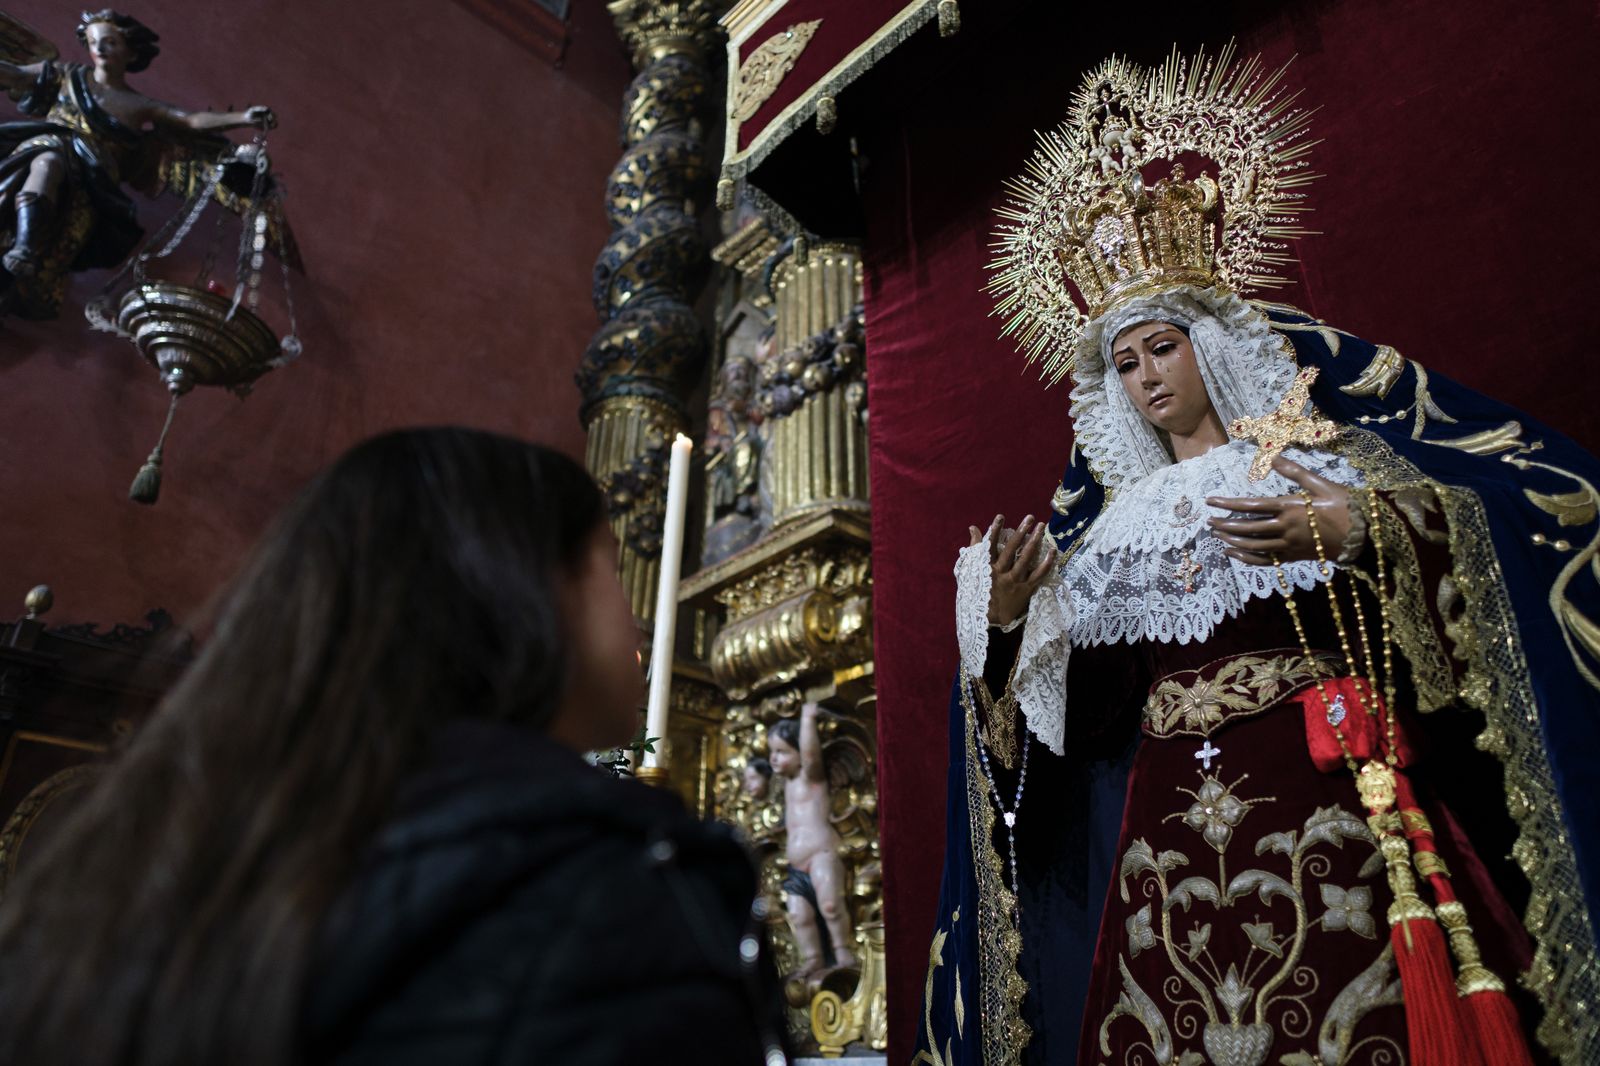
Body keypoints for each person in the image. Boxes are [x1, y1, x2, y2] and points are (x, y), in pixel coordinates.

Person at [917, 47, 1598, 1066]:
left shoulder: (1319, 462)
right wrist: (1017, 626)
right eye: (1125, 362)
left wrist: (1359, 532)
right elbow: (1088, 728)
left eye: (1162, 346)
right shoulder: (1106, 540)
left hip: (1325, 788)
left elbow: (1512, 519)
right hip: (1163, 845)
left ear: (1211, 344)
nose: (1146, 377)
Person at [0, 426, 785, 1065]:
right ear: (526, 598)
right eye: (611, 571)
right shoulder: (601, 879)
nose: (638, 621)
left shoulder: (167, 864)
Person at [0, 9, 274, 317]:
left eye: (110, 42)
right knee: (49, 159)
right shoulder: (65, 75)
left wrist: (243, 117)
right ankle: (24, 245)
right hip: (42, 153)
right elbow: (14, 74)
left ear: (130, 52)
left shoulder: (139, 106)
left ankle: (28, 261)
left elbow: (191, 121)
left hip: (92, 189)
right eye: (94, 42)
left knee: (54, 247)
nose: (100, 49)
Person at [769, 704, 858, 976]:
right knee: (799, 915)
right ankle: (813, 958)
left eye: (782, 751)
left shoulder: (812, 777)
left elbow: (811, 755)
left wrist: (807, 719)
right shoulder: (785, 783)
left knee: (831, 905)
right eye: (771, 752)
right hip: (796, 866)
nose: (774, 758)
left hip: (822, 854)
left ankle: (843, 951)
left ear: (799, 754)